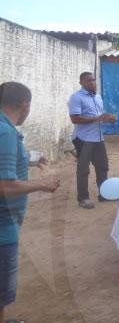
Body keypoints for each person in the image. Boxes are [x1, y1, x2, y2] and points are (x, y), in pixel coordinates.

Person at [0, 82, 60, 322]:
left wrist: (30, 158)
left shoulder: (5, 129)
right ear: (24, 105)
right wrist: (42, 184)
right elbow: (4, 184)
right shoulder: (5, 132)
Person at [68, 72, 116, 209]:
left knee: (102, 167)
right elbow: (75, 118)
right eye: (88, 80)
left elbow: (99, 117)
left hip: (98, 138)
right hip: (83, 139)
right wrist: (98, 118)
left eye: (93, 80)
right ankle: (83, 198)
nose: (92, 82)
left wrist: (108, 119)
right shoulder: (76, 97)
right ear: (81, 83)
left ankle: (104, 194)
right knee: (83, 169)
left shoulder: (98, 97)